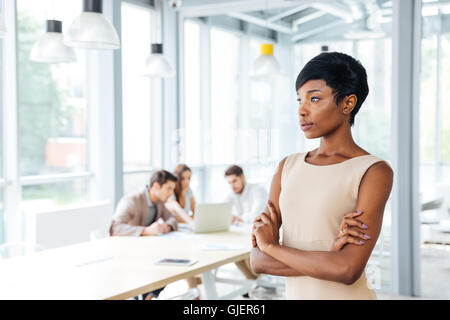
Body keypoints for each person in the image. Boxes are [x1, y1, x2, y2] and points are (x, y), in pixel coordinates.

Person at [250, 52, 393, 300]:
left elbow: (347, 269)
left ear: (347, 104)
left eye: (314, 99)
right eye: (299, 100)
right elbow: (258, 261)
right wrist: (328, 257)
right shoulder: (287, 167)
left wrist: (273, 247)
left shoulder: (373, 171)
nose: (302, 111)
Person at [110, 170, 179, 300]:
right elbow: (115, 228)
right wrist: (146, 230)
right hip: (128, 252)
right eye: (169, 188)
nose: (171, 193)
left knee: (172, 262)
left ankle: (150, 295)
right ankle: (144, 296)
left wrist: (167, 226)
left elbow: (172, 219)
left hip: (147, 251)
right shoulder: (132, 200)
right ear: (156, 186)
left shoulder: (158, 202)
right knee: (163, 263)